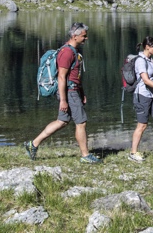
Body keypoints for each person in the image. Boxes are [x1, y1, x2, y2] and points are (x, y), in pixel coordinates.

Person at [25, 22, 101, 164]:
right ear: (74, 36)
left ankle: (33, 144)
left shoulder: (74, 51)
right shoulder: (66, 52)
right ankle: (85, 156)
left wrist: (82, 92)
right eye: (84, 36)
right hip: (69, 92)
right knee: (81, 122)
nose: (86, 38)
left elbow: (75, 76)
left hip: (73, 91)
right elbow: (61, 77)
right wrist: (63, 100)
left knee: (62, 121)